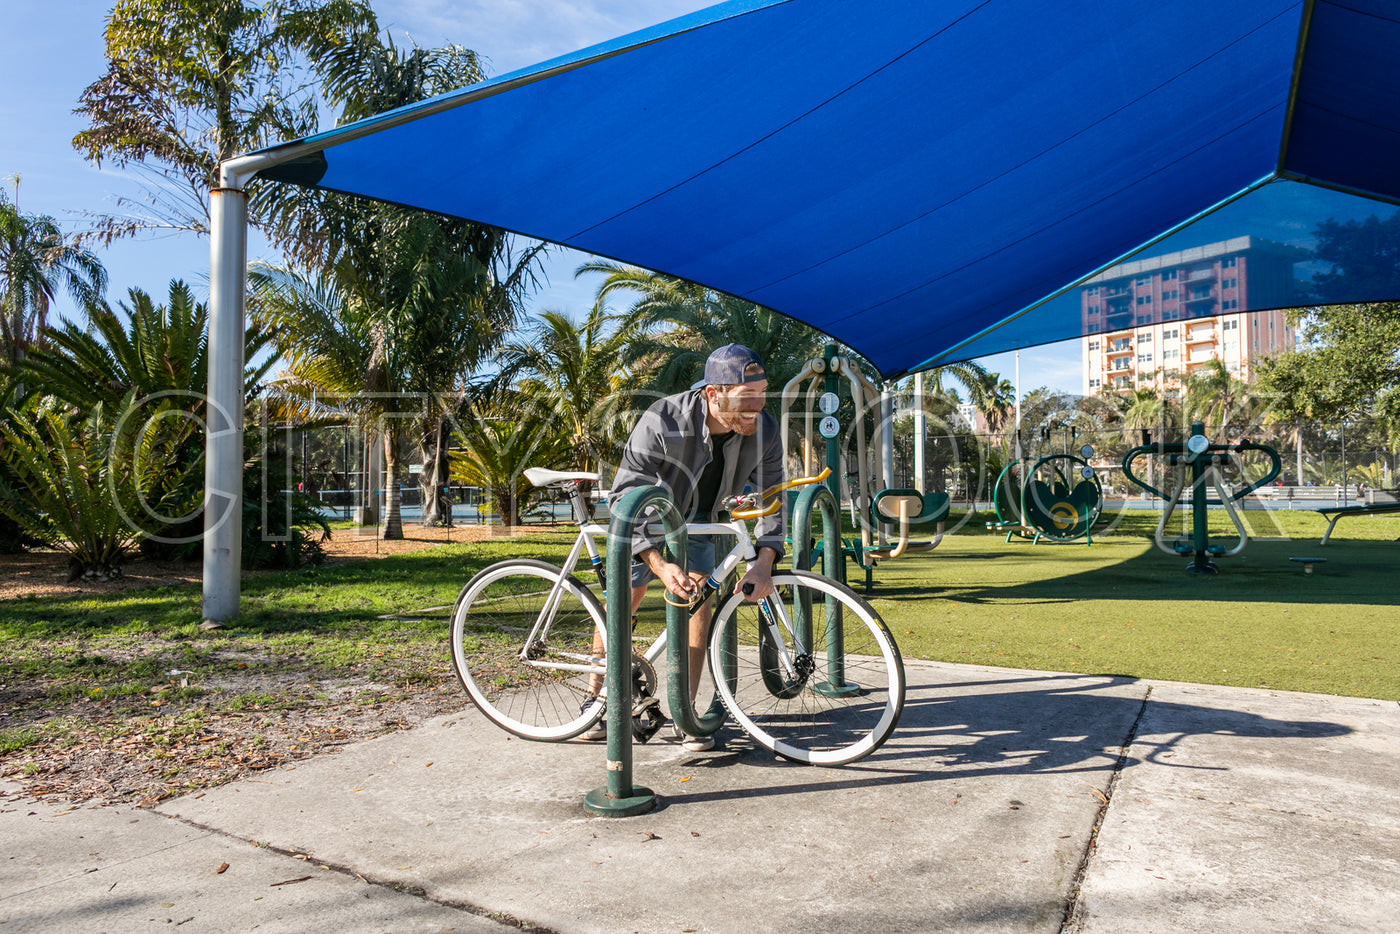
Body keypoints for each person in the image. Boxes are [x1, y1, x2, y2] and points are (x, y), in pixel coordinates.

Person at [584, 343, 785, 750]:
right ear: (714, 393)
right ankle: (595, 700)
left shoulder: (763, 427)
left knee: (699, 602)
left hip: (702, 523)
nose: (758, 406)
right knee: (626, 597)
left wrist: (764, 562)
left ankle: (685, 711)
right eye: (748, 398)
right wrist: (657, 564)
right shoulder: (663, 419)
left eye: (763, 393)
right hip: (647, 519)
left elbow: (773, 495)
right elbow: (625, 493)